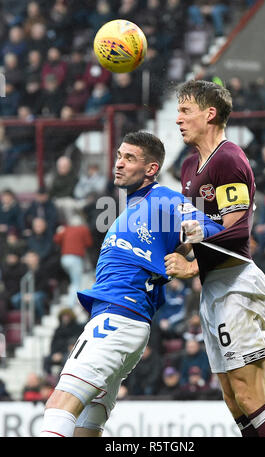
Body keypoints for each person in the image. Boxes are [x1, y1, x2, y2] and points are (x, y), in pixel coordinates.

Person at [39, 130, 224, 437]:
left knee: (58, 406)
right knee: (87, 424)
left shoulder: (164, 199)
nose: (119, 164)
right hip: (123, 320)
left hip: (118, 317)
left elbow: (215, 232)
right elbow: (185, 238)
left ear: (151, 169)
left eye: (129, 158)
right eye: (119, 156)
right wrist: (183, 247)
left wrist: (193, 267)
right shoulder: (137, 207)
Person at [164, 80, 265, 437]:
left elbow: (237, 232)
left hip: (236, 282)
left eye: (185, 110)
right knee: (233, 399)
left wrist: (191, 266)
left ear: (210, 113)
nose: (178, 119)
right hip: (214, 289)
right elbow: (196, 230)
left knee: (250, 395)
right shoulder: (190, 167)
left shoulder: (229, 158)